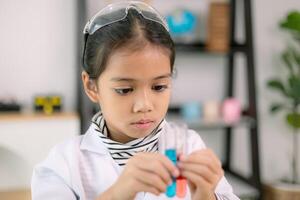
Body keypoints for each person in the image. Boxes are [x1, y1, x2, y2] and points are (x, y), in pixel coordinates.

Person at [31, 1, 240, 200]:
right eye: (125, 90)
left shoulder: (189, 146)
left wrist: (206, 195)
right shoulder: (63, 164)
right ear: (91, 86)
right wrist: (118, 194)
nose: (144, 105)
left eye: (159, 87)